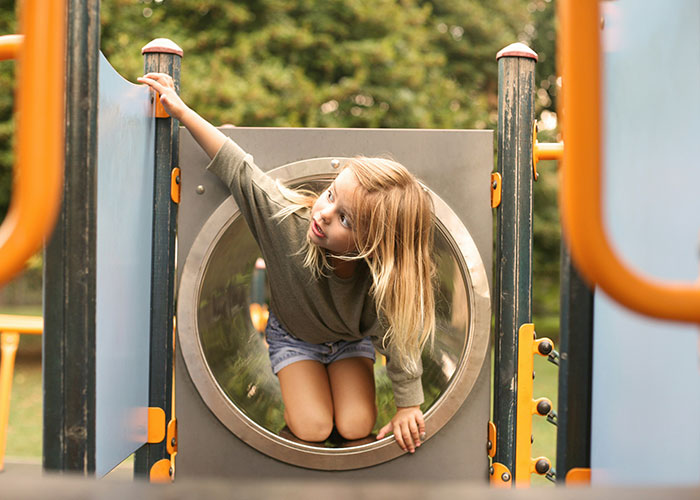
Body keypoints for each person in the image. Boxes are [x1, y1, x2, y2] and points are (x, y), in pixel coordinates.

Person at [138, 73, 436, 454]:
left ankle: (339, 381)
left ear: (372, 245)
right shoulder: (289, 224)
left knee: (355, 424)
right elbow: (239, 169)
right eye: (330, 194)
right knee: (314, 427)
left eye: (345, 218)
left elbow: (400, 340)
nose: (324, 212)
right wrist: (183, 112)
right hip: (294, 337)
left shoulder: (385, 280)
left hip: (348, 342)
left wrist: (409, 405)